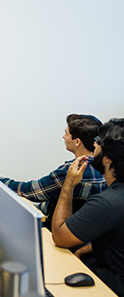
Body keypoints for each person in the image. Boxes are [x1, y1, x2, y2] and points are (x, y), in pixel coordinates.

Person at [0, 114, 107, 229]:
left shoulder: (71, 171)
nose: (63, 137)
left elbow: (31, 191)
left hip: (61, 233)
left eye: (66, 133)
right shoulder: (105, 167)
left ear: (77, 142)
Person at [52, 119, 124, 296]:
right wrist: (85, 249)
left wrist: (68, 184)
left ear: (108, 159)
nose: (93, 145)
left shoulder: (107, 202)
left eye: (97, 142)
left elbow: (59, 236)